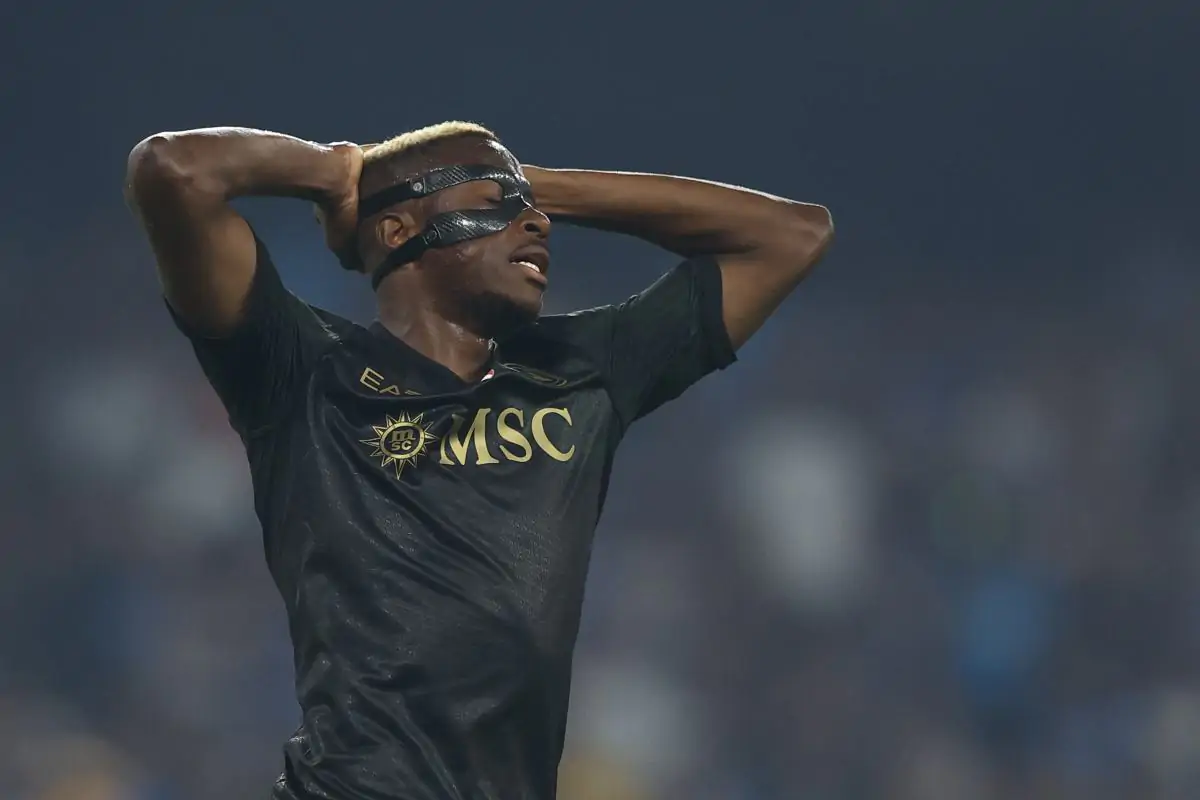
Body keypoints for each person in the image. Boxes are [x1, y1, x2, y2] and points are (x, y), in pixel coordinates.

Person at [124, 121, 833, 800]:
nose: (538, 224)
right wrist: (336, 171)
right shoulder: (301, 372)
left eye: (534, 210)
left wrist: (535, 186)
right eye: (496, 205)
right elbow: (173, 169)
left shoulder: (581, 370)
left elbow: (792, 235)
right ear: (397, 231)